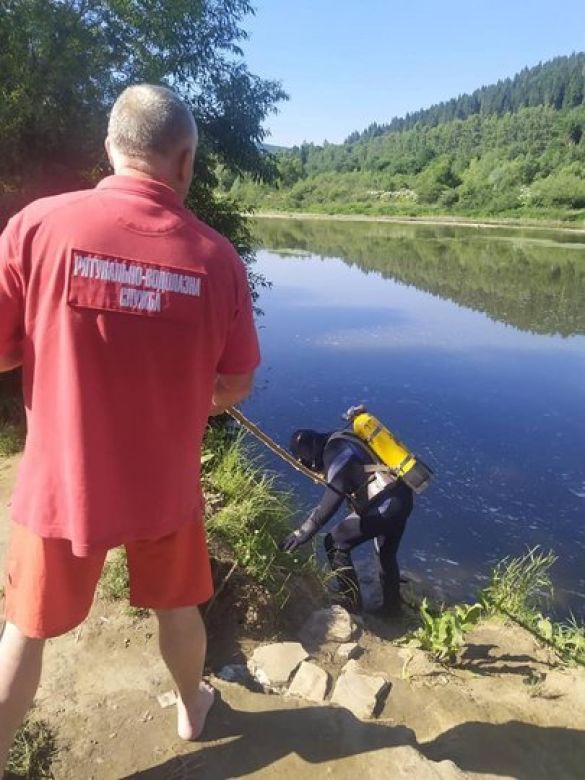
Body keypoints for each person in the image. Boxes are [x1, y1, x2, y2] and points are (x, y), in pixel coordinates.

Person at [0, 84, 260, 770]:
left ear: (111, 149)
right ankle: (190, 708)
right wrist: (176, 395)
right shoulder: (217, 259)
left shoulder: (37, 226)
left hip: (61, 484)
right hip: (164, 489)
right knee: (178, 607)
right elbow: (233, 385)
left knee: (24, 630)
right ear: (185, 162)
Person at [280, 427, 413, 615]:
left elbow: (330, 502)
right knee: (386, 555)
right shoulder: (342, 437)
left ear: (306, 459)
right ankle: (392, 610)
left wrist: (303, 532)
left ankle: (351, 603)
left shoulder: (336, 455)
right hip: (403, 498)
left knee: (334, 542)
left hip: (385, 507)